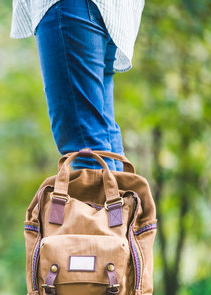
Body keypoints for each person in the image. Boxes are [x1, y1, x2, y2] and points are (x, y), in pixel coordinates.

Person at [11, 0, 144, 171]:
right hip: (114, 12)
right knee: (101, 138)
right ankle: (115, 197)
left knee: (85, 146)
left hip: (69, 8)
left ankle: (100, 196)